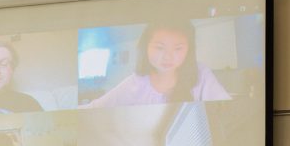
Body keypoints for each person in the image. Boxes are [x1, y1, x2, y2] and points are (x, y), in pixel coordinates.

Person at [85, 20, 231, 108]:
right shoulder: (134, 83)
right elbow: (95, 108)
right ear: (145, 47)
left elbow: (227, 109)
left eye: (178, 48)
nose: (168, 56)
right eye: (160, 47)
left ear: (189, 50)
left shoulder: (201, 74)